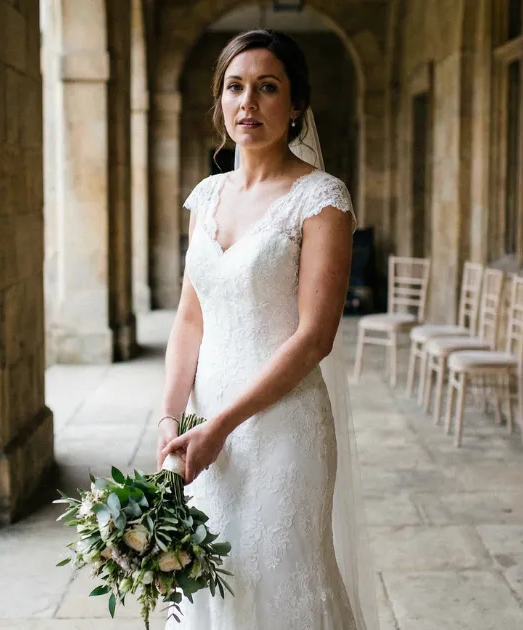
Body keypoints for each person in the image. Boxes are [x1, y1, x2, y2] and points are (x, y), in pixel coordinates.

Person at [156, 28, 377, 630]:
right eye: (235, 87)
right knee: (210, 581)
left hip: (283, 427)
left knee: (279, 581)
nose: (247, 102)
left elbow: (314, 337)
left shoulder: (322, 199)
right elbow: (189, 319)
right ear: (220, 100)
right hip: (204, 428)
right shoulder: (206, 197)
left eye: (267, 87)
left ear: (297, 104)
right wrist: (173, 419)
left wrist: (223, 425)